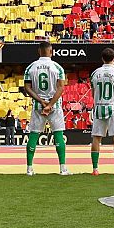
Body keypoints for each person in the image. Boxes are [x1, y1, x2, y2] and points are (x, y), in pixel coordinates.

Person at [22, 41, 69, 176]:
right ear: (51, 51)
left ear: (39, 51)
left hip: (38, 105)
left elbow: (27, 88)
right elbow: (61, 88)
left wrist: (42, 102)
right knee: (58, 134)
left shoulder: (30, 67)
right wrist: (50, 104)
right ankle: (62, 168)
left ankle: (29, 169)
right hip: (55, 105)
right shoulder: (57, 67)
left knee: (34, 134)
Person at [89, 47, 114, 176]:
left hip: (99, 106)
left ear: (102, 59)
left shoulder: (95, 73)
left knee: (96, 137)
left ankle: (95, 169)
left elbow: (93, 93)